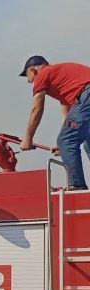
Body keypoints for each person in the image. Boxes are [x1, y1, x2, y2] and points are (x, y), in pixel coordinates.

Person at [20, 55, 90, 190]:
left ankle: (77, 185)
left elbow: (36, 108)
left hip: (87, 94)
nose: (30, 82)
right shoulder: (63, 80)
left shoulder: (43, 75)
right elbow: (67, 111)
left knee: (67, 140)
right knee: (86, 141)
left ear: (33, 71)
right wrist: (64, 148)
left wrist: (28, 138)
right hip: (85, 98)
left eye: (28, 78)